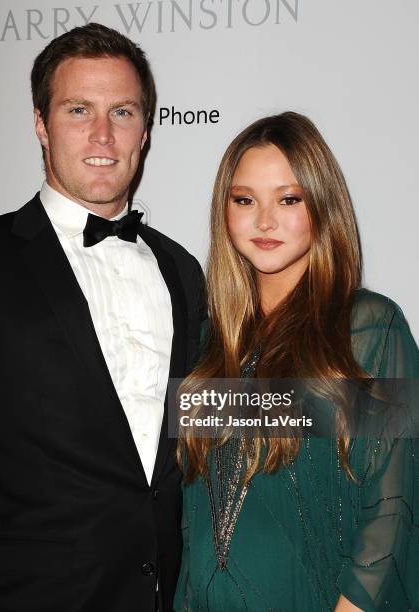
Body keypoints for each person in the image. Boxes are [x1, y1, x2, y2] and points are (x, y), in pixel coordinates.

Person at [0, 23, 204, 612]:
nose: (103, 134)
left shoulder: (184, 271)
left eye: (122, 111)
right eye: (79, 109)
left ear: (146, 130)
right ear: (40, 125)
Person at [174, 112, 419, 611]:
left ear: (322, 206)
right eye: (245, 200)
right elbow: (194, 514)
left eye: (289, 199)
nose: (265, 221)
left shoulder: (366, 328)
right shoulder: (209, 342)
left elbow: (390, 514)